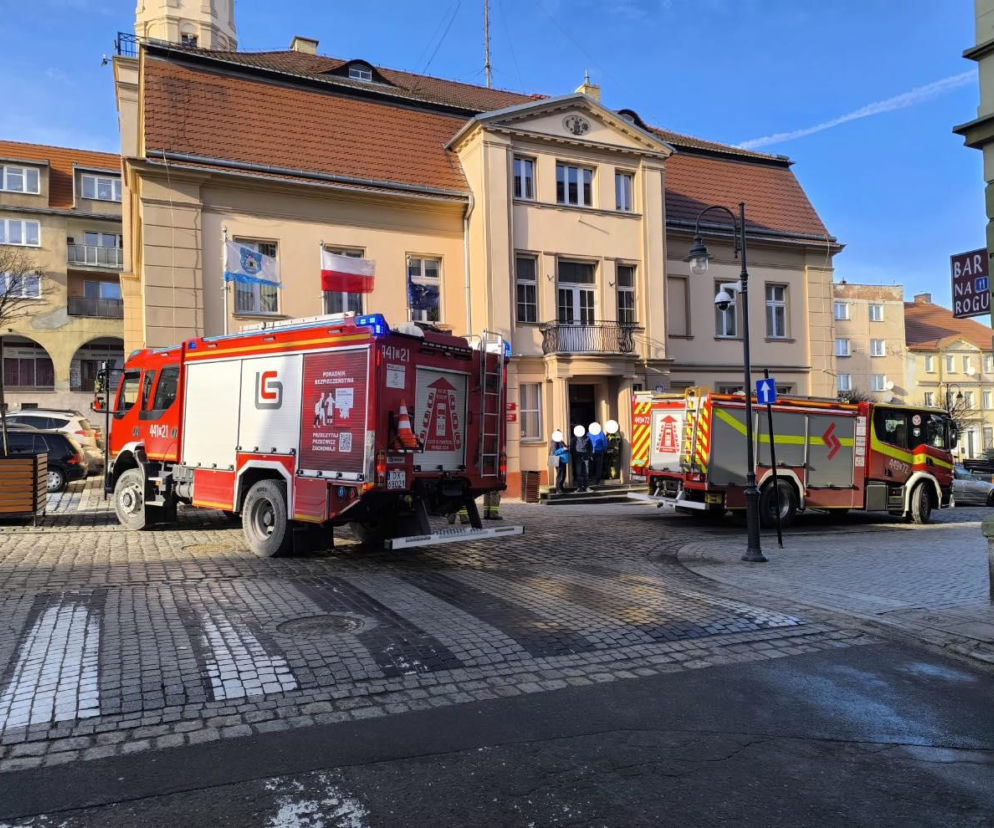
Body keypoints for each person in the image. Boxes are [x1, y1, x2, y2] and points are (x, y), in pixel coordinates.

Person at [573, 424, 592, 492]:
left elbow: (590, 447)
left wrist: (590, 455)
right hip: (578, 458)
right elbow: (572, 449)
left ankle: (587, 487)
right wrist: (574, 457)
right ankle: (579, 487)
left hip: (586, 458)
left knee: (586, 473)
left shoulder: (587, 438)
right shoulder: (574, 439)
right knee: (579, 473)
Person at [549, 429, 569, 493]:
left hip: (562, 460)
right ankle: (558, 489)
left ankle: (561, 487)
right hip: (557, 459)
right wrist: (563, 449)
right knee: (560, 474)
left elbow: (565, 448)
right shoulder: (554, 442)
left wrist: (566, 447)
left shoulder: (560, 441)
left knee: (563, 474)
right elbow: (555, 452)